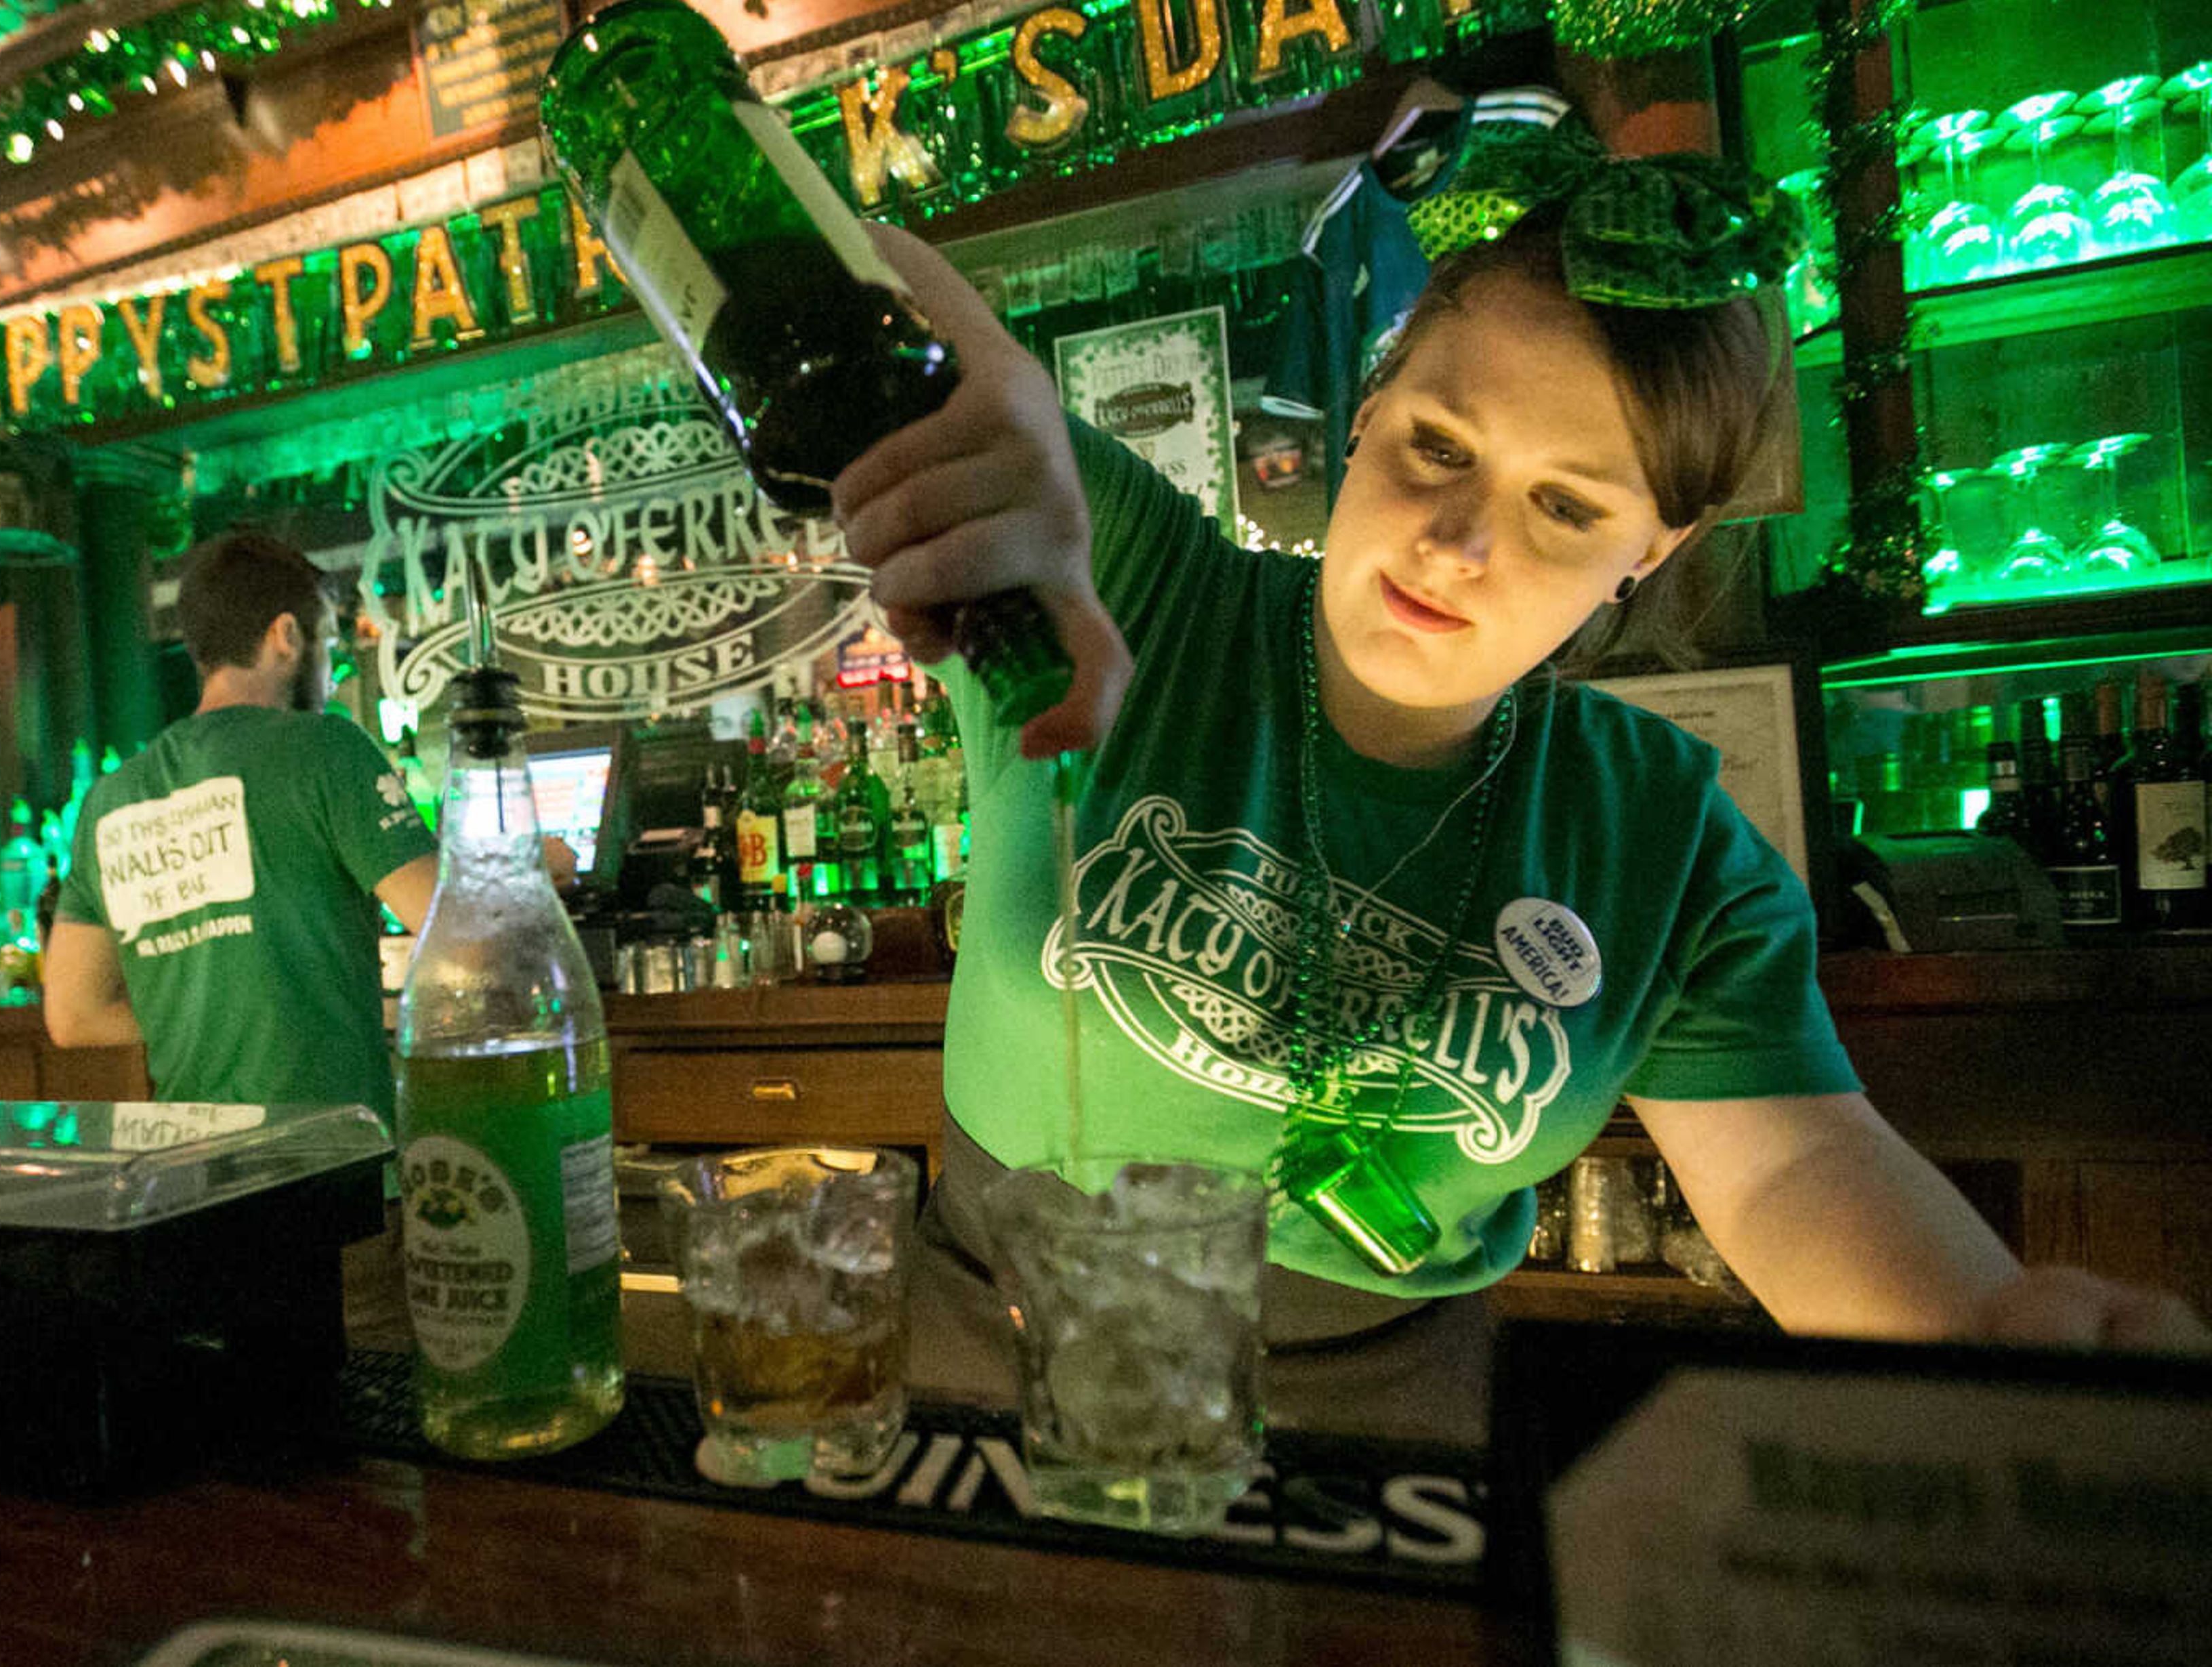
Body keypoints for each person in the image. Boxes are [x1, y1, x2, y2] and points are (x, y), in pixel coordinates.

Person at [829, 144, 2208, 1386]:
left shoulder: (1662, 839)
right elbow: (810, 258)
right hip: (988, 1354)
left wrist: (1986, 1341)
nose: (1456, 542)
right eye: (1438, 444)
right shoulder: (1129, 583)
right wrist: (947, 364)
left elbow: (1795, 1160)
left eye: (1563, 505)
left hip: (1384, 1425)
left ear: (1650, 551)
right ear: (1368, 410)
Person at [43, 531, 439, 1131]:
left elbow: (74, 1016)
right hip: (326, 1165)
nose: (329, 675)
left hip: (191, 1173)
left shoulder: (110, 801)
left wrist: (204, 1013)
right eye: (327, 644)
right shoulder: (325, 748)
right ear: (286, 636)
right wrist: (518, 868)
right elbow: (447, 919)